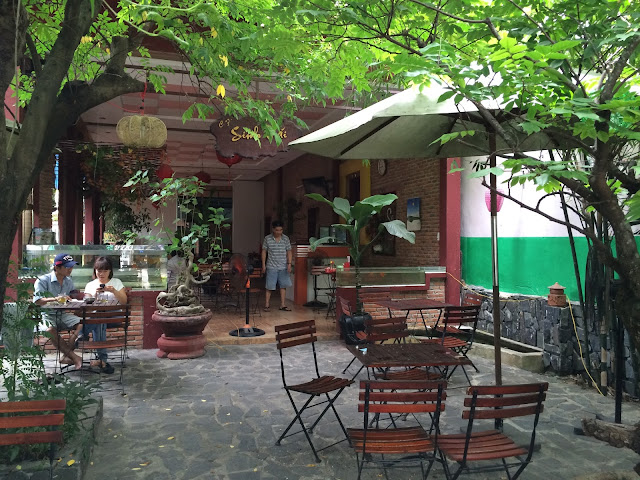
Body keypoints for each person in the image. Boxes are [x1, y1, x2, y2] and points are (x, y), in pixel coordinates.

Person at [33, 253, 83, 370]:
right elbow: (38, 301)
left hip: (62, 314)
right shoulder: (43, 280)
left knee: (83, 322)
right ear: (57, 267)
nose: (70, 269)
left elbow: (72, 295)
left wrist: (78, 296)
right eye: (67, 267)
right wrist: (55, 299)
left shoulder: (68, 281)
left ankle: (66, 355)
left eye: (71, 266)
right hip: (46, 314)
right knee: (50, 330)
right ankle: (75, 357)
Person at [83, 256, 127, 374]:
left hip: (115, 316)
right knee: (99, 321)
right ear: (95, 271)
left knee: (98, 319)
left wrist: (113, 291)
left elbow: (124, 302)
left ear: (110, 271)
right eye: (99, 270)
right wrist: (95, 295)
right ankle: (102, 360)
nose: (101, 274)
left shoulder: (116, 282)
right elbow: (87, 305)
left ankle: (82, 334)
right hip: (97, 318)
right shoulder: (90, 285)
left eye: (105, 271)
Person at [261, 220, 293, 311]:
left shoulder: (285, 239)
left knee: (283, 286)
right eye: (277, 230)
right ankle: (267, 305)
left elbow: (289, 251)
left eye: (281, 230)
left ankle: (282, 304)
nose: (279, 232)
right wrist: (263, 264)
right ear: (273, 229)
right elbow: (264, 251)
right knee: (269, 286)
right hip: (271, 266)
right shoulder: (267, 238)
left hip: (283, 266)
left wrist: (289, 264)